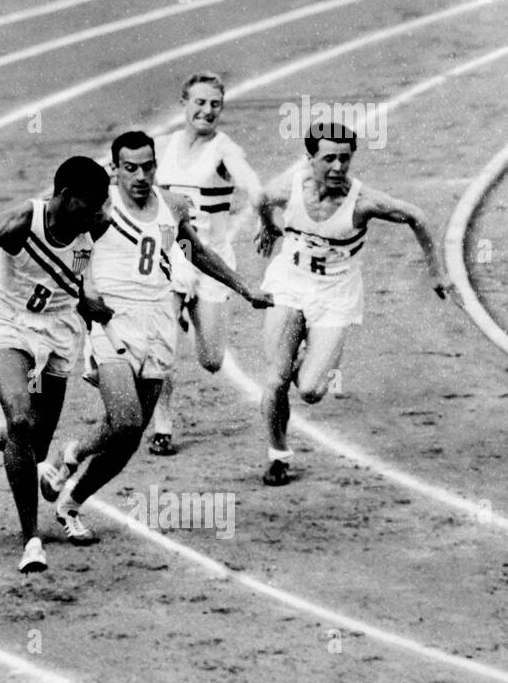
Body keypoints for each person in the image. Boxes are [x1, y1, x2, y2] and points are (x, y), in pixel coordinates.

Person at [39, 132, 272, 537]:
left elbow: (195, 251)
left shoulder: (172, 206)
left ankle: (71, 504)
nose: (141, 175)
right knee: (126, 421)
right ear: (115, 169)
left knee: (129, 439)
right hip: (113, 321)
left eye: (148, 166)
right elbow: (59, 252)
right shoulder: (99, 208)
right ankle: (70, 454)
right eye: (130, 168)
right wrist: (82, 298)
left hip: (160, 323)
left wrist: (243, 286)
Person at [0, 156, 113, 574]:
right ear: (64, 196)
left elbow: (68, 277)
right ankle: (31, 539)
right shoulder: (20, 223)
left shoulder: (95, 224)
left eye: (102, 203)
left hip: (60, 332)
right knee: (21, 421)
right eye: (91, 203)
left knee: (35, 447)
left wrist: (87, 305)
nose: (99, 213)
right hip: (9, 325)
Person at [253, 120, 456, 486]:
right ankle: (278, 455)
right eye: (328, 159)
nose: (337, 168)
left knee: (313, 390)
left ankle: (306, 355)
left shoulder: (362, 202)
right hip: (288, 285)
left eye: (345, 159)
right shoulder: (291, 188)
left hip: (335, 296)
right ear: (309, 158)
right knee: (275, 379)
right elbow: (260, 198)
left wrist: (437, 272)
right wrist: (268, 225)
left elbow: (417, 217)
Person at [149, 72, 262, 455]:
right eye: (199, 102)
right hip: (171, 257)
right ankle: (162, 426)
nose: (207, 110)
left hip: (210, 260)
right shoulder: (161, 147)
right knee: (161, 346)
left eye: (215, 104)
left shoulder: (225, 150)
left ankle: (188, 315)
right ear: (183, 104)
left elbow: (252, 184)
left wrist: (263, 212)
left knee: (212, 359)